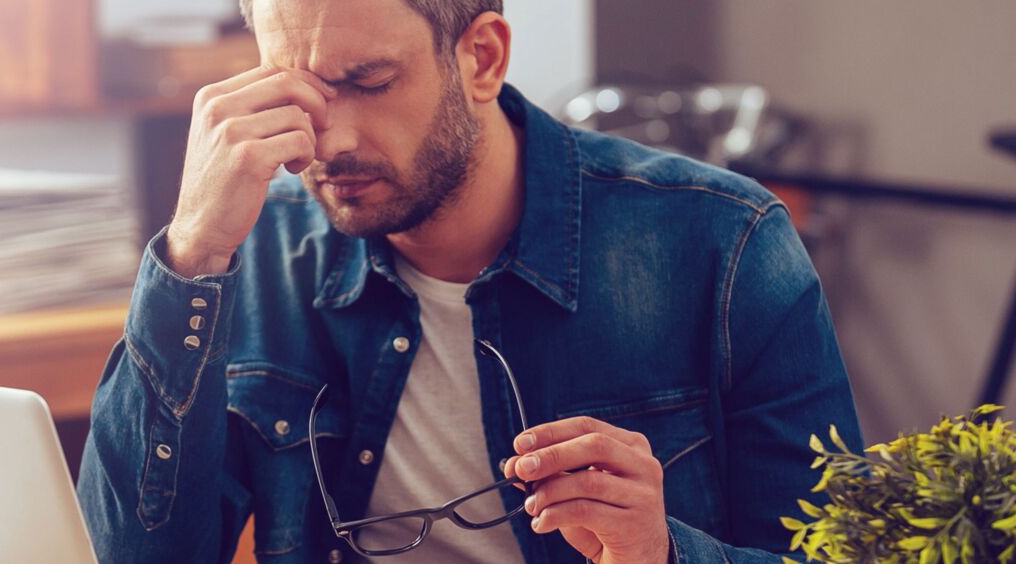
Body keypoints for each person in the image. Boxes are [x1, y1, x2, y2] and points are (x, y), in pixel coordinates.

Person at [76, 0, 863, 562]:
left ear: (482, 57)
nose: (329, 138)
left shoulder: (724, 241)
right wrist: (192, 255)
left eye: (369, 81)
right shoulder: (255, 243)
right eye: (299, 89)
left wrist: (659, 552)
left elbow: (841, 553)